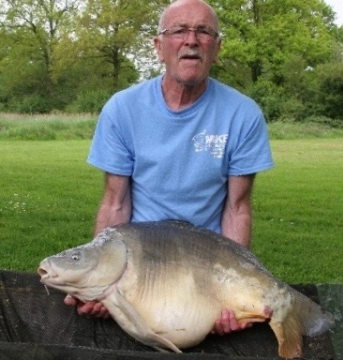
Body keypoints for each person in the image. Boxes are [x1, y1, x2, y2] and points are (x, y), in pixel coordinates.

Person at [65, 0, 274, 336]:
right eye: (179, 31)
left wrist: (232, 287)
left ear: (216, 49)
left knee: (214, 325)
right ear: (159, 47)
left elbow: (237, 210)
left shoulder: (243, 114)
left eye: (203, 32)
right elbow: (116, 202)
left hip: (206, 260)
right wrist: (103, 280)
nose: (191, 40)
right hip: (140, 259)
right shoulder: (123, 109)